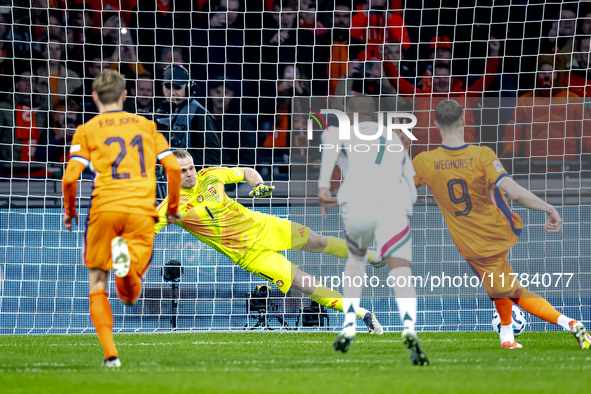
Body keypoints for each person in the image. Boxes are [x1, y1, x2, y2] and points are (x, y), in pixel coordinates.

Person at [412, 99, 591, 349]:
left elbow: (400, 190)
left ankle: (570, 324)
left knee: (513, 291)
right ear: (464, 121)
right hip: (498, 229)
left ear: (434, 123)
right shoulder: (482, 154)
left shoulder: (424, 161)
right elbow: (514, 192)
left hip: (475, 242)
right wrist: (549, 208)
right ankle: (507, 338)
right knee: (499, 286)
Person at [154, 149, 386, 334]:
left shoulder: (210, 175)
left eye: (191, 167)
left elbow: (246, 172)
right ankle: (364, 314)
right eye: (182, 171)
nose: (190, 173)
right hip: (250, 255)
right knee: (305, 284)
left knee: (317, 241)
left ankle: (372, 256)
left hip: (263, 226)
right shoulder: (170, 207)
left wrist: (259, 185)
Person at [61, 69, 182, 367]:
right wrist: (173, 207)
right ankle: (125, 265)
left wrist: (70, 211)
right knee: (130, 296)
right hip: (141, 210)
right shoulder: (146, 125)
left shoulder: (87, 129)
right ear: (125, 95)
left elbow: (70, 177)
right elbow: (174, 168)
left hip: (104, 209)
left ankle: (111, 355)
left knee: (98, 283)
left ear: (94, 97)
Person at [316, 95, 427, 365]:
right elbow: (411, 189)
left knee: (355, 264)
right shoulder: (394, 139)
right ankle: (410, 329)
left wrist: (323, 190)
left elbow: (328, 158)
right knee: (401, 270)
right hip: (391, 208)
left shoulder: (337, 132)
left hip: (358, 206)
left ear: (349, 113)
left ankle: (350, 326)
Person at [501, 54, 591, 169]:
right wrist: (510, 152)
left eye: (551, 71)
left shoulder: (573, 100)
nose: (547, 75)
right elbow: (513, 132)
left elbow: (586, 132)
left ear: (557, 73)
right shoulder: (524, 101)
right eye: (542, 72)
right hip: (534, 168)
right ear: (536, 74)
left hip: (567, 167)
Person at [154, 64, 221, 167]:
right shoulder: (159, 111)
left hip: (191, 177)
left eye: (177, 87)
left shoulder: (199, 115)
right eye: (168, 86)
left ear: (189, 89)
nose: (172, 93)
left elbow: (213, 155)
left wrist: (179, 159)